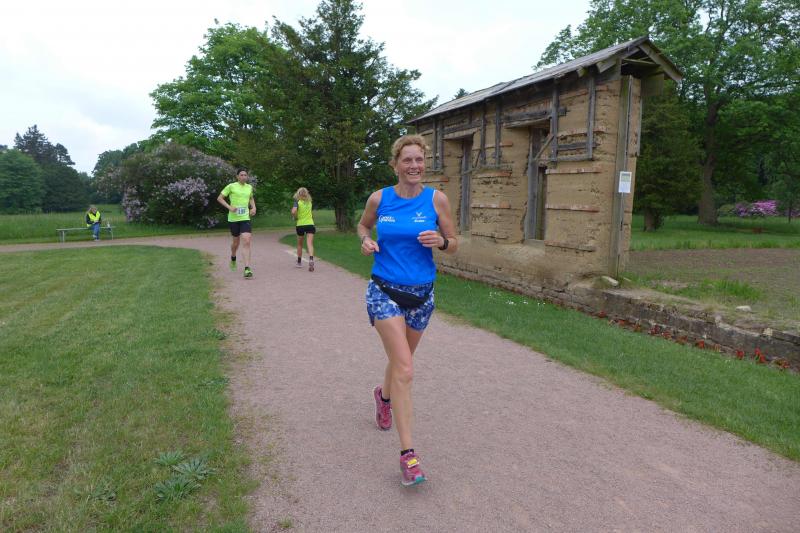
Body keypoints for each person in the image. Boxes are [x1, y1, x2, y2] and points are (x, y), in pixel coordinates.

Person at [356, 134, 458, 486]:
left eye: (419, 160)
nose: (414, 166)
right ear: (395, 164)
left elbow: (454, 243)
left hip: (422, 296)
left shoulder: (437, 200)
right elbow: (363, 225)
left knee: (401, 363)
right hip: (384, 290)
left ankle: (383, 397)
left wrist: (441, 242)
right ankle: (408, 456)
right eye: (407, 160)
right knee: (405, 368)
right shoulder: (379, 198)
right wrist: (366, 240)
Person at [217, 168, 256, 278]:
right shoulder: (231, 186)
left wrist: (254, 207)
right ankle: (233, 257)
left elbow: (251, 198)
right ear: (237, 176)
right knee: (236, 243)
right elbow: (220, 198)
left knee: (247, 240)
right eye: (241, 175)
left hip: (245, 218)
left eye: (245, 175)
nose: (244, 177)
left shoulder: (249, 187)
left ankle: (247, 268)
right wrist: (229, 207)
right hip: (233, 219)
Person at [291, 187, 316, 272]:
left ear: (298, 194)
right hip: (310, 224)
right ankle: (311, 259)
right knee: (310, 243)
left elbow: (293, 211)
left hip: (300, 224)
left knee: (300, 244)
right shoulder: (309, 202)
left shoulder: (297, 202)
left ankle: (299, 262)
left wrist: (295, 217)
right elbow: (311, 213)